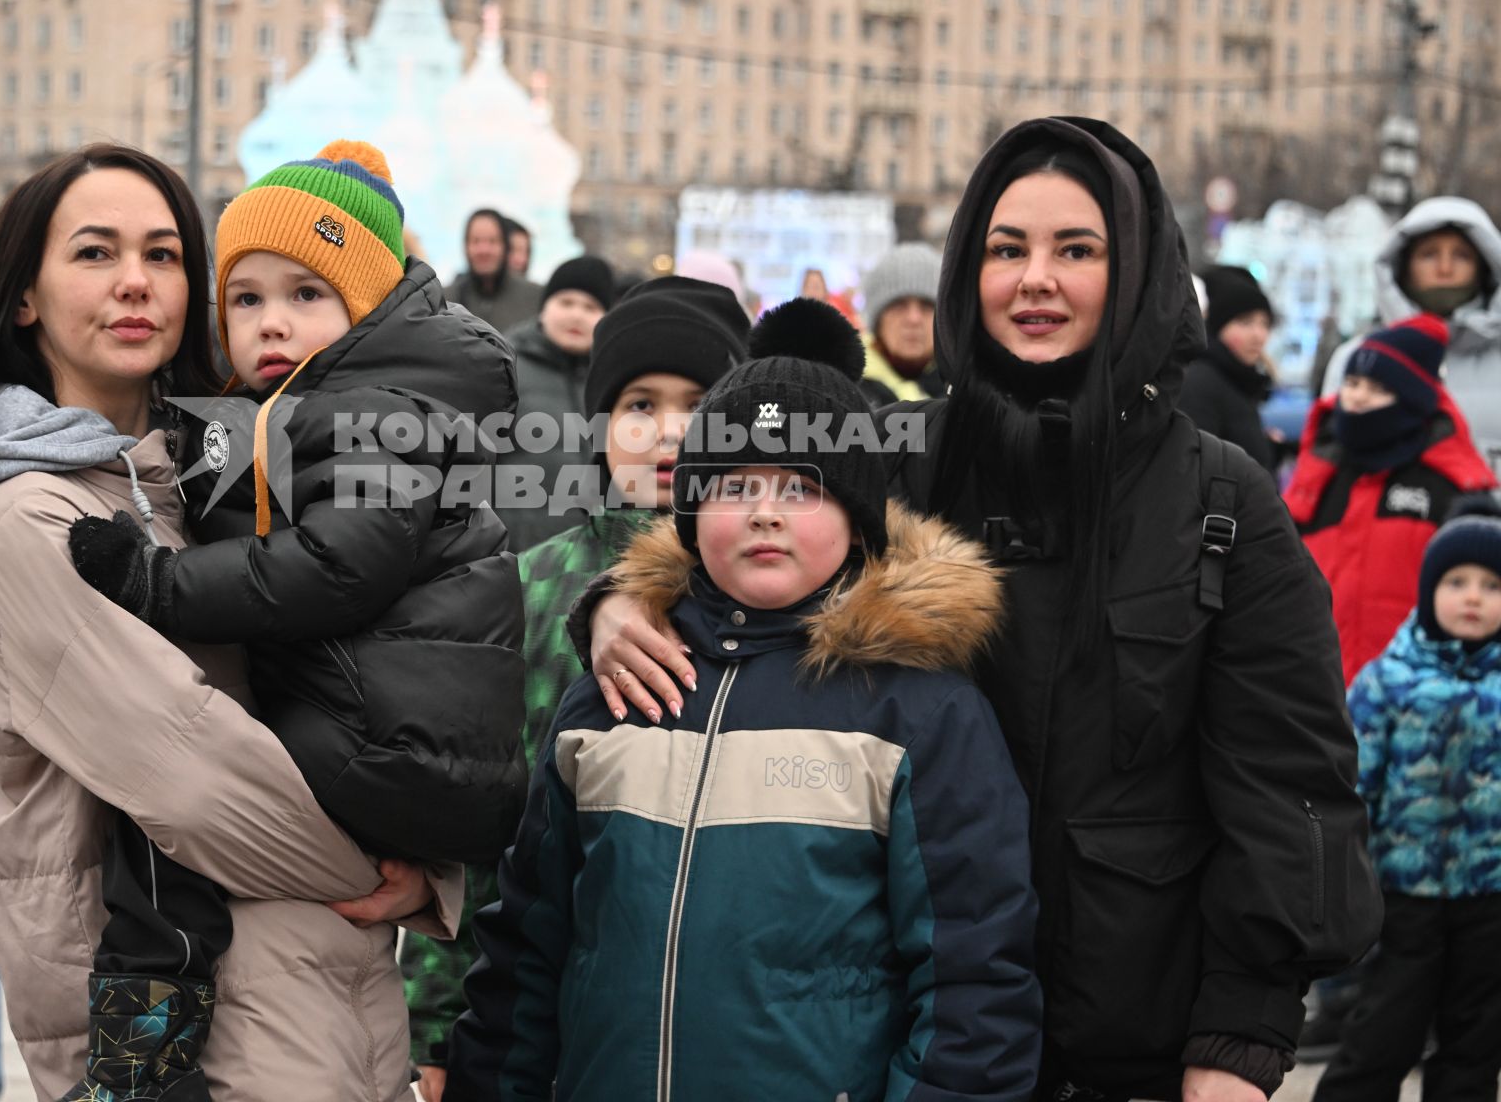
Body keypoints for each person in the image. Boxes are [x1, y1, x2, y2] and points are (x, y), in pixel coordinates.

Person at [578, 117, 1381, 1100]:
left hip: (1139, 1055)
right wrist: (618, 602)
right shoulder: (893, 452)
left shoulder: (1219, 496)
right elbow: (731, 550)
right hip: (906, 1046)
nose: (1034, 279)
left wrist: (1240, 1040)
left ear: (1134, 272)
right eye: (1008, 249)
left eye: (1075, 250)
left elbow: (1289, 783)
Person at [0, 142, 464, 1101]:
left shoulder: (228, 476)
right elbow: (199, 781)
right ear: (25, 296)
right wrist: (402, 876)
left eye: (163, 256)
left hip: (326, 977)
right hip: (182, 1020)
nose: (135, 282)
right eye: (94, 254)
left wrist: (618, 602)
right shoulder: (28, 518)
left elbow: (438, 623)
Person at [443, 304, 1040, 1102]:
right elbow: (526, 950)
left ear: (859, 523)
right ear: (689, 519)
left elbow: (974, 980)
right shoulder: (612, 695)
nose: (765, 510)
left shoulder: (921, 717)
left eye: (801, 486)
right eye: (733, 484)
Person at [49, 141, 528, 1095]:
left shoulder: (380, 416)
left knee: (168, 800)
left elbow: (337, 570)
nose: (272, 324)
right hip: (385, 731)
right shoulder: (290, 407)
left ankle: (143, 1039)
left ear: (368, 307)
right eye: (248, 299)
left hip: (389, 742)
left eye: (307, 295)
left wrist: (154, 583)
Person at [400, 275, 750, 1099]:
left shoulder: (780, 593)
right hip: (542, 1016)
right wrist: (433, 1026)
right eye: (639, 405)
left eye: (700, 404)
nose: (669, 431)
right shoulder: (525, 590)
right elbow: (473, 823)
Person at [1310, 512, 1501, 1100]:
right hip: (1405, 897)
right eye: (1456, 581)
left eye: (1493, 586)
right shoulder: (1388, 680)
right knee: (1385, 1030)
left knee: (1476, 1040)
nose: (1473, 596)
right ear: (1428, 591)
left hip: (1491, 897)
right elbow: (1352, 779)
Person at [1284, 316, 1498, 683]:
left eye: (1377, 387)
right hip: (1314, 689)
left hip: (1421, 697)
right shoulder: (1318, 476)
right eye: (1352, 383)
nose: (1358, 397)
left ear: (1413, 399)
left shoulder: (1453, 486)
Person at [1321, 198, 1501, 473]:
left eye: (1461, 256)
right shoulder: (1361, 359)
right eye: (1429, 254)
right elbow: (1325, 465)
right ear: (1403, 265)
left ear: (1484, 267)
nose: (1445, 268)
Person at [498, 257, 615, 551]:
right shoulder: (502, 367)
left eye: (590, 307)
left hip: (593, 559)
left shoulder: (615, 380)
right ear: (544, 310)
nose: (576, 315)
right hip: (515, 554)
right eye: (566, 302)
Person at [1178, 265, 1282, 473]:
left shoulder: (1240, 381)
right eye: (1245, 323)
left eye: (1265, 324)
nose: (1258, 335)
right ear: (1218, 327)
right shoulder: (1200, 382)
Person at [858, 242, 946, 407]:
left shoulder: (969, 394)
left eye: (926, 305)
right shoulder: (845, 396)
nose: (913, 319)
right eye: (898, 305)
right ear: (878, 322)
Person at [448, 209, 544, 334]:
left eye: (493, 241)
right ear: (465, 247)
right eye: (476, 241)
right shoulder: (445, 301)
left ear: (506, 247)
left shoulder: (535, 298)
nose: (484, 250)